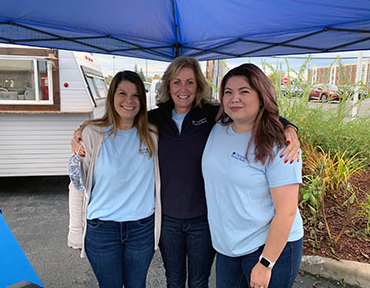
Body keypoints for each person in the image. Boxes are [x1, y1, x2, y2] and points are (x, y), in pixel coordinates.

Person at [71, 57, 300, 288]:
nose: (183, 88)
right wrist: (81, 131)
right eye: (176, 82)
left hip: (202, 219)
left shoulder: (213, 116)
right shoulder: (154, 120)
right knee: (174, 280)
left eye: (190, 82)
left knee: (199, 281)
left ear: (198, 86)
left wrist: (289, 127)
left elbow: (253, 111)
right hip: (169, 219)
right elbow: (124, 118)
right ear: (168, 85)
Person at [202, 63, 303, 288]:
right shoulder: (219, 127)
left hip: (268, 248)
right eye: (228, 92)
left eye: (244, 91)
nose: (234, 98)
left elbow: (286, 212)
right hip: (228, 246)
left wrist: (266, 263)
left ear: (262, 96)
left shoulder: (279, 144)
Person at [68, 70, 161, 288]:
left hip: (141, 229)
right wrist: (75, 230)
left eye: (136, 95)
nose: (129, 100)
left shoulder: (153, 135)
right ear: (111, 97)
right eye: (122, 93)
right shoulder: (92, 134)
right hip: (102, 230)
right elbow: (77, 184)